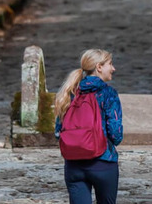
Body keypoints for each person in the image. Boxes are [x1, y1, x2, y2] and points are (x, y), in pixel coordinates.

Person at [54, 48, 124, 204]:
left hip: (74, 165)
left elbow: (58, 131)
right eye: (110, 64)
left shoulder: (69, 92)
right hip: (103, 162)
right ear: (99, 67)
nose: (113, 68)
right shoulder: (109, 93)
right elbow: (116, 134)